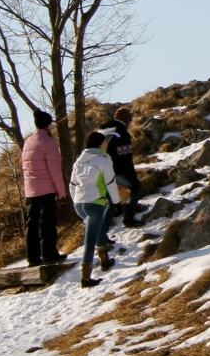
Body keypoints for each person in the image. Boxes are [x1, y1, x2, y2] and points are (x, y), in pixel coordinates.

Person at [69, 130, 118, 288]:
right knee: (90, 240)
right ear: (100, 144)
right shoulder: (104, 160)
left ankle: (105, 260)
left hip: (79, 203)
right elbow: (110, 182)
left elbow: (72, 184)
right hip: (95, 203)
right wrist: (116, 201)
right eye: (105, 141)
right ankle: (86, 278)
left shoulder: (79, 161)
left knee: (99, 227)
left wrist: (75, 200)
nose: (106, 144)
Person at [20, 109, 68, 268]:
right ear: (47, 125)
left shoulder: (28, 142)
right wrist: (61, 190)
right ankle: (49, 254)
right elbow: (55, 170)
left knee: (32, 223)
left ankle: (33, 257)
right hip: (46, 188)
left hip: (30, 189)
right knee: (47, 223)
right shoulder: (48, 142)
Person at [100, 107, 145, 228]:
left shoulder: (102, 131)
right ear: (127, 121)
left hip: (97, 171)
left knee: (111, 205)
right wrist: (133, 178)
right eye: (130, 122)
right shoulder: (122, 134)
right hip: (114, 171)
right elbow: (125, 159)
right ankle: (129, 217)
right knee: (136, 187)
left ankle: (101, 235)